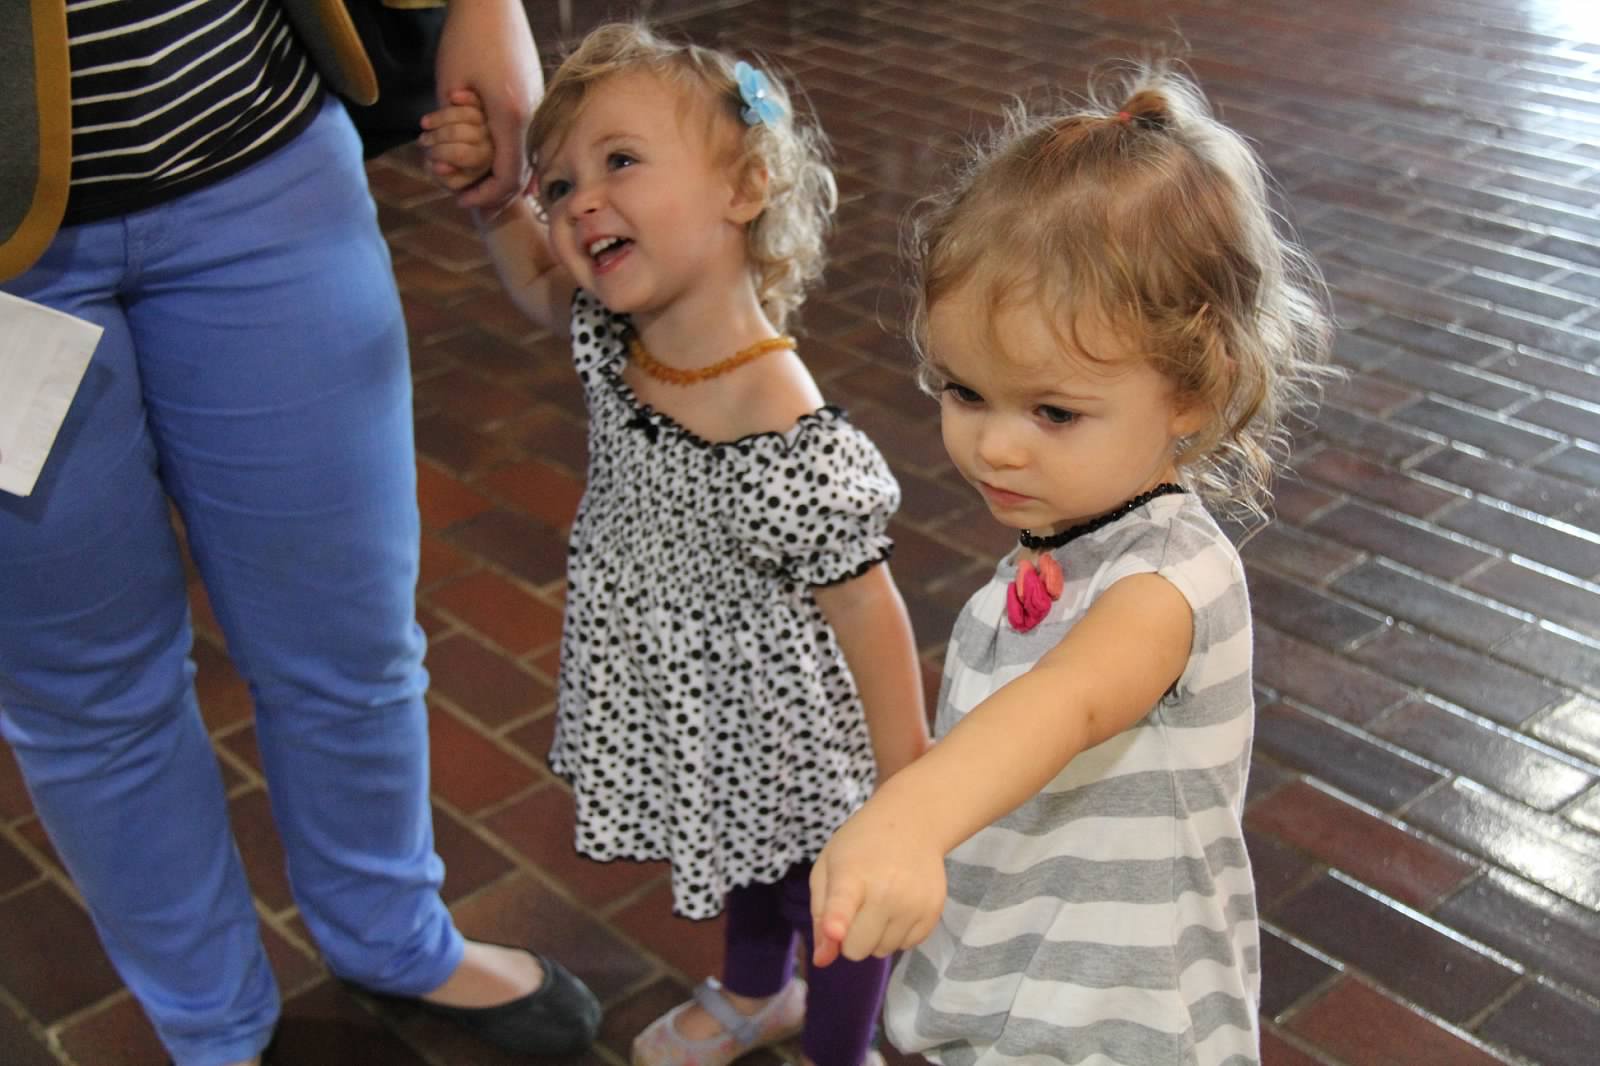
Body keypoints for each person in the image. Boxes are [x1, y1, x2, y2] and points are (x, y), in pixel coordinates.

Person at [0, 2, 600, 1064]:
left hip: (261, 151)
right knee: (87, 697)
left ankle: (392, 935)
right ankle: (212, 1027)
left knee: (348, 632)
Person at [417, 20, 930, 1066]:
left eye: (620, 162)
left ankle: (842, 1050)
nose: (578, 203)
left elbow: (868, 611)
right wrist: (492, 198)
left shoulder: (781, 419)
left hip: (791, 722)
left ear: (743, 188)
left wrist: (910, 794)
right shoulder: (618, 335)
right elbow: (532, 276)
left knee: (829, 893)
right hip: (701, 693)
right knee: (740, 852)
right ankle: (757, 990)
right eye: (560, 185)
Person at [806, 63, 1336, 1064]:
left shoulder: (1166, 581)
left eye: (1052, 411)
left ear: (1195, 388)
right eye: (965, 392)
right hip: (1024, 980)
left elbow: (1070, 700)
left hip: (1116, 1026)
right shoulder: (1065, 539)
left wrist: (911, 814)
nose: (996, 447)